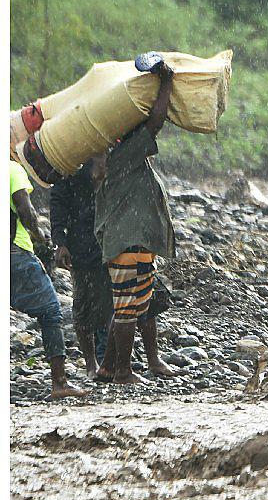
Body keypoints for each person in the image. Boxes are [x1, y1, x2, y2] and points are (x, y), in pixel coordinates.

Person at [92, 60, 186, 384]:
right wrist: (166, 83)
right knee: (127, 308)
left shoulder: (118, 156)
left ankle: (108, 367)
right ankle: (123, 372)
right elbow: (156, 121)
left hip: (135, 240)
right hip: (127, 241)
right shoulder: (123, 154)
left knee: (136, 303)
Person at [11, 160, 86, 399]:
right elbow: (26, 213)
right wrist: (40, 236)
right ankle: (59, 383)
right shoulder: (11, 169)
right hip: (14, 255)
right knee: (51, 312)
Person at [51, 156, 113, 376]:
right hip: (83, 242)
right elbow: (58, 202)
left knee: (114, 303)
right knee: (84, 305)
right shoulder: (71, 158)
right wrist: (60, 242)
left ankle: (110, 360)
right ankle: (91, 364)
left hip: (113, 238)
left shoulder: (114, 152)